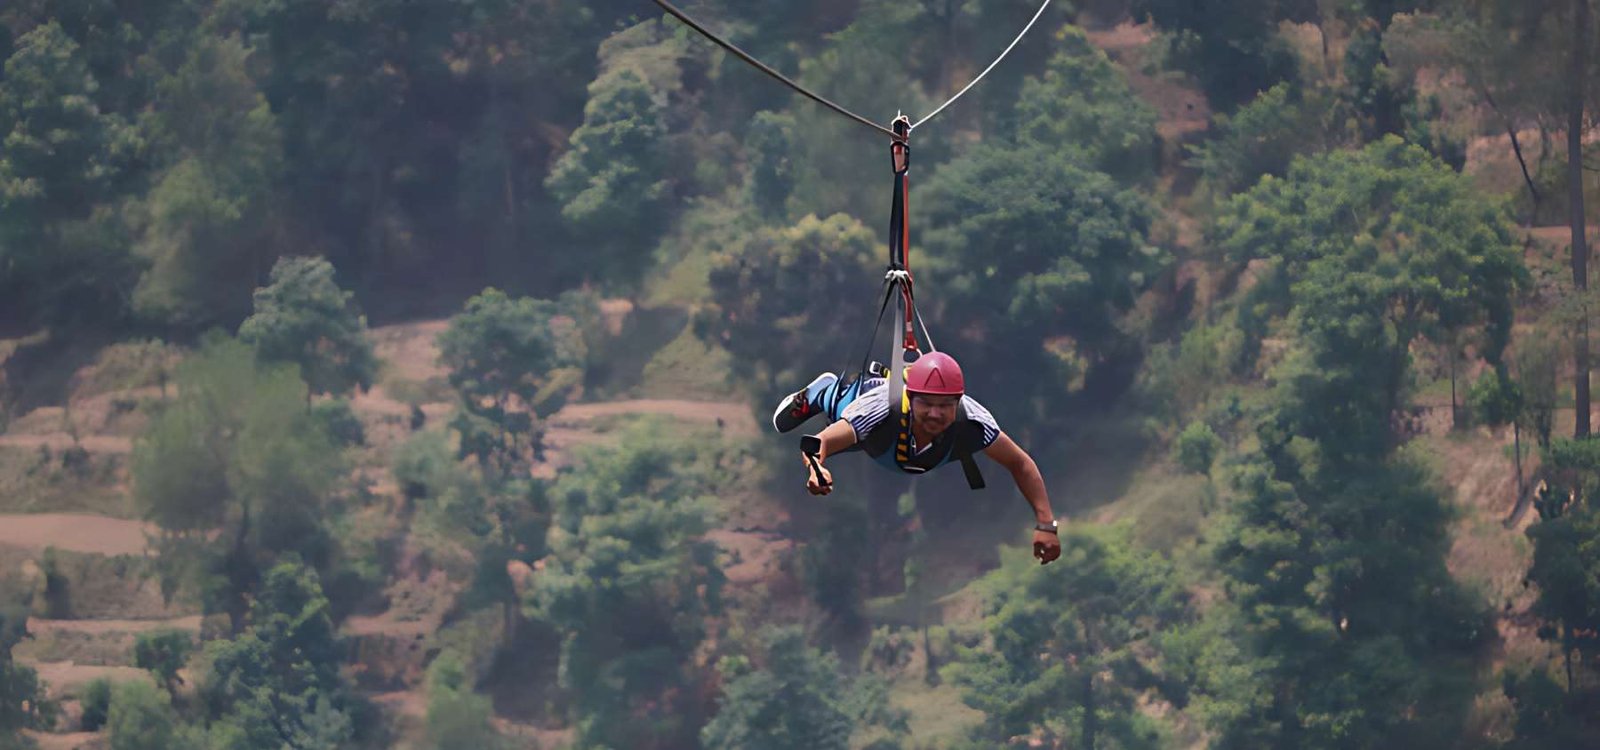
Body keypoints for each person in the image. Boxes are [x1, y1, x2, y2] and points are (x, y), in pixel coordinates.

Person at [772, 352, 1062, 565]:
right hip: (873, 425)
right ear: (911, 398)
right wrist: (816, 469)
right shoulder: (879, 410)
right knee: (842, 409)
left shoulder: (974, 421)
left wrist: (1046, 524)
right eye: (926, 404)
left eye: (944, 406)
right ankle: (823, 391)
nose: (935, 413)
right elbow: (817, 443)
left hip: (900, 449)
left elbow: (1020, 463)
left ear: (958, 402)